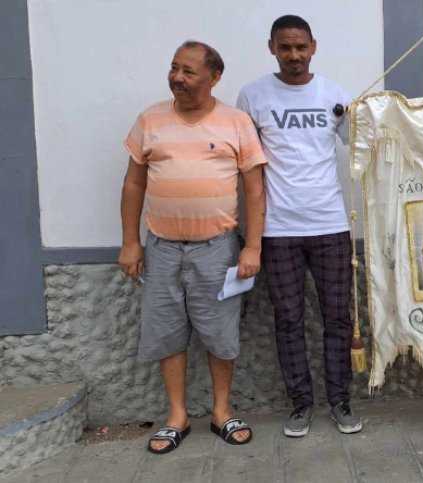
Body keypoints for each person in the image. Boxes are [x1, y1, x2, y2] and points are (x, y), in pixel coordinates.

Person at [119, 41, 267, 454]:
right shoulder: (150, 119)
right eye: (173, 69)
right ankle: (177, 416)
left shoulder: (236, 122)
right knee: (167, 331)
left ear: (214, 77)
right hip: (161, 248)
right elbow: (134, 182)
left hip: (217, 248)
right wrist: (131, 241)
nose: (176, 78)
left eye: (187, 71)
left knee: (220, 332)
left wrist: (252, 247)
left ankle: (221, 411)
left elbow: (255, 190)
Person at [236, 14, 362, 437]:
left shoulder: (335, 95)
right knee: (288, 319)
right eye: (285, 47)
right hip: (278, 230)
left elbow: (364, 145)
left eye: (301, 47)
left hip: (330, 225)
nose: (294, 55)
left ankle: (340, 400)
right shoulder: (252, 96)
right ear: (272, 48)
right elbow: (245, 167)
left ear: (313, 47)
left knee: (337, 318)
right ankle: (301, 404)